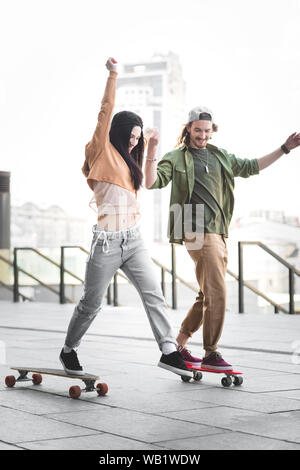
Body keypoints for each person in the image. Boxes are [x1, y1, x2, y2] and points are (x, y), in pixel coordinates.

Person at [59, 57, 193, 380]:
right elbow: (105, 110)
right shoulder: (100, 149)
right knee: (91, 304)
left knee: (154, 294)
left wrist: (151, 147)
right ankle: (68, 349)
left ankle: (168, 350)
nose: (134, 142)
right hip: (105, 242)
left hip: (133, 239)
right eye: (131, 137)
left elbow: (147, 179)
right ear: (117, 132)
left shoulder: (129, 161)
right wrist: (113, 75)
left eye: (138, 138)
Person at [145, 106, 300, 371]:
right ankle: (211, 353)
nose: (202, 136)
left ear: (211, 131)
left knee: (208, 291)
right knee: (218, 293)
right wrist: (150, 152)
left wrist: (284, 148)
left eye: (206, 131)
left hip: (218, 231)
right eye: (197, 130)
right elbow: (152, 183)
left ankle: (179, 344)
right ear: (188, 129)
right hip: (194, 229)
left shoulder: (220, 157)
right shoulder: (176, 157)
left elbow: (252, 166)